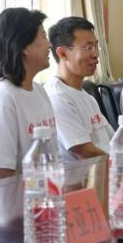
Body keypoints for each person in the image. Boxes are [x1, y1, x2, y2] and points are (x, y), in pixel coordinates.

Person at [0, 8, 57, 179]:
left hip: (42, 189)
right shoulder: (3, 98)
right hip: (10, 193)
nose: (49, 45)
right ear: (23, 46)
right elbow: (3, 172)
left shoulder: (40, 91)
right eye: (43, 37)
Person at [46, 16, 114, 160]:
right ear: (63, 53)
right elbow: (84, 152)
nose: (95, 54)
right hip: (86, 173)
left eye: (96, 46)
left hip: (106, 168)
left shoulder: (87, 97)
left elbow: (113, 140)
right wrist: (122, 162)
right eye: (88, 47)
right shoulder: (57, 96)